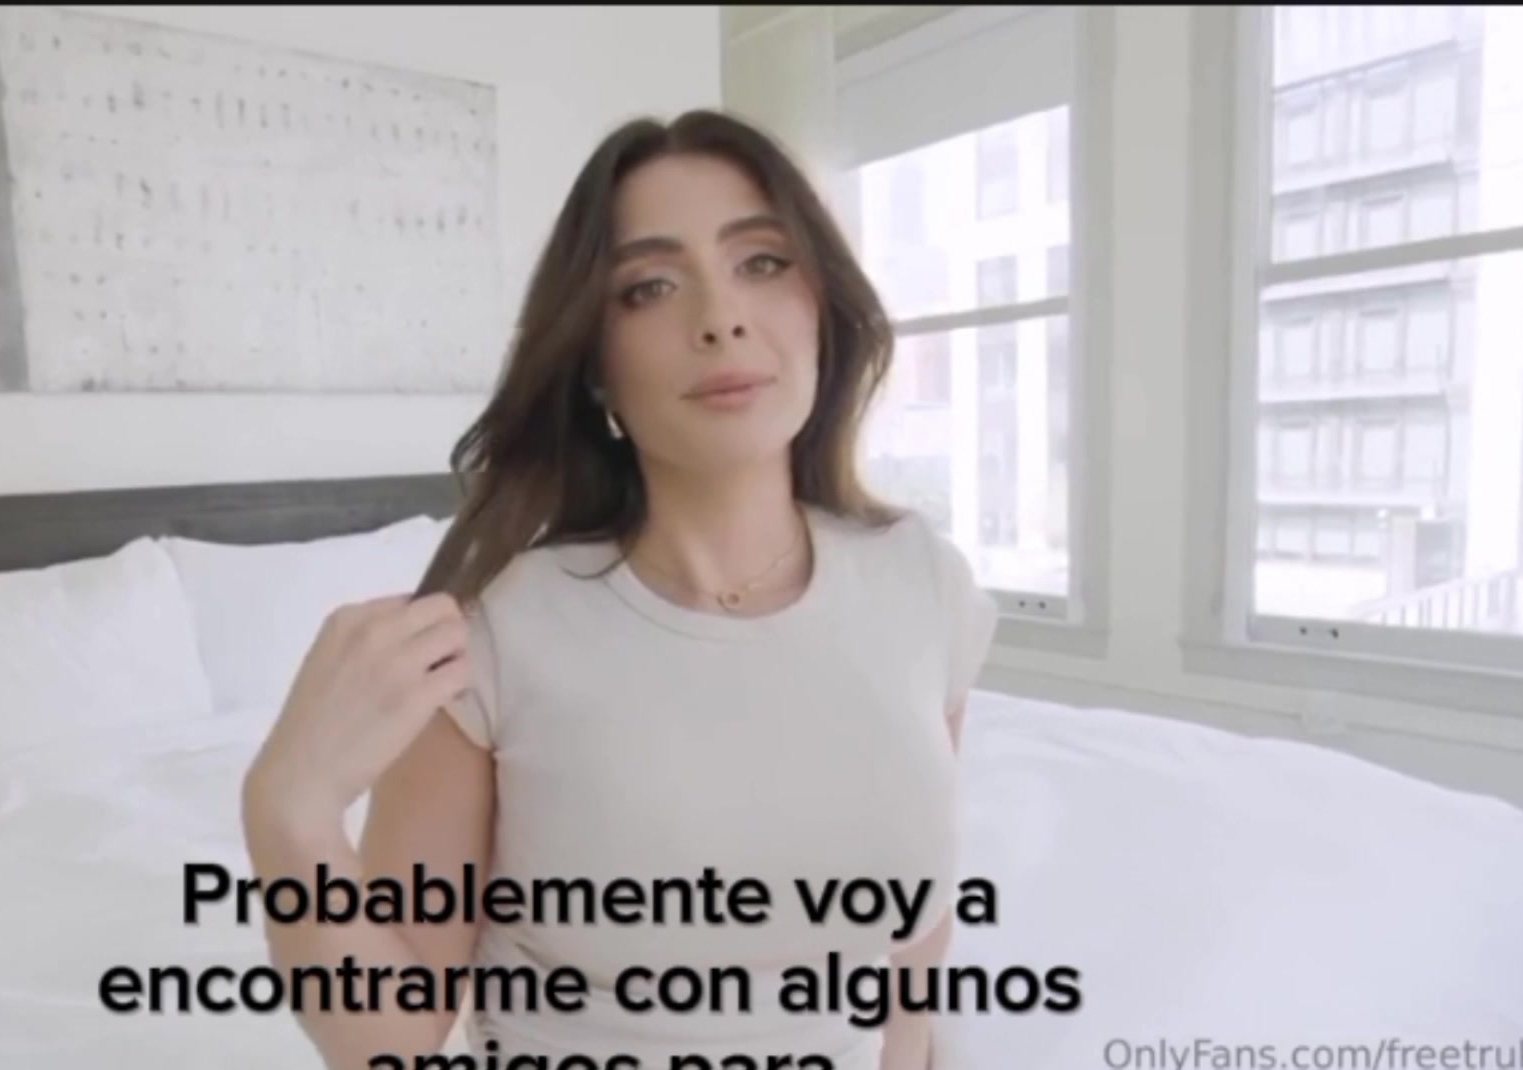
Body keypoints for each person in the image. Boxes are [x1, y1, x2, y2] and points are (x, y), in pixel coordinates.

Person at [241, 109, 999, 1070]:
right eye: (650, 287)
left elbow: (915, 941)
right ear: (595, 366)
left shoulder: (922, 583)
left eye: (762, 262)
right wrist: (290, 812)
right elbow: (386, 1036)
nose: (720, 317)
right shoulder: (495, 635)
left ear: (821, 306)